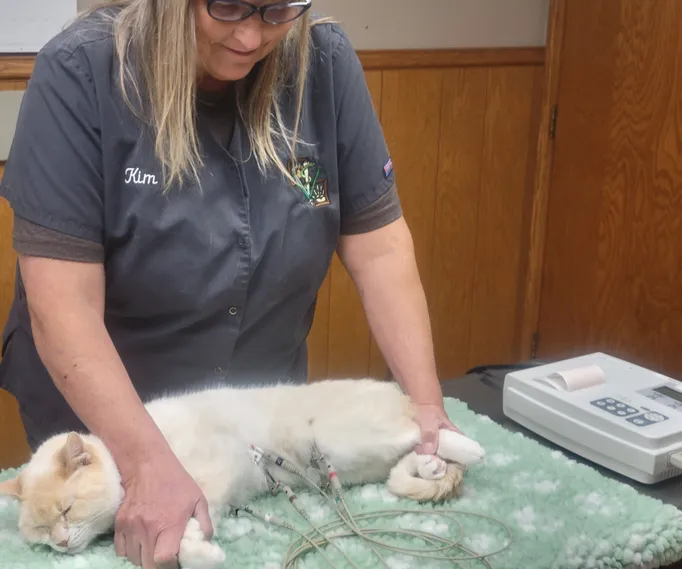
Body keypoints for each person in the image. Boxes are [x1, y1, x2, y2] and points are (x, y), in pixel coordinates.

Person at [0, 1, 460, 567]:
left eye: (278, 9)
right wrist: (147, 465)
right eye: (227, 5)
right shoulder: (81, 75)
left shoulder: (324, 68)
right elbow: (61, 308)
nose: (250, 35)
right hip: (105, 435)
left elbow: (380, 249)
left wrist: (427, 407)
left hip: (255, 430)